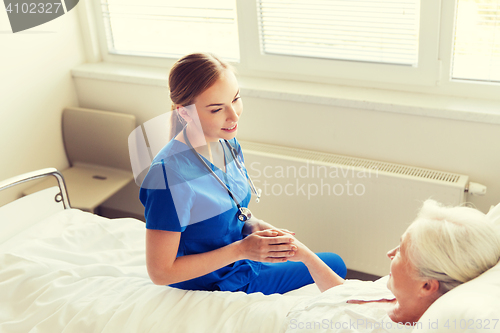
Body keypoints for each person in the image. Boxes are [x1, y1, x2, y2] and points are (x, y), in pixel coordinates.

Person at [139, 52, 347, 295]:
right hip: (212, 279)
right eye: (217, 109)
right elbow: (160, 273)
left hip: (238, 259)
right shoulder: (168, 177)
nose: (234, 115)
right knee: (333, 265)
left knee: (331, 262)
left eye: (235, 99)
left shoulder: (227, 142)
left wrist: (252, 225)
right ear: (184, 113)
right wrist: (242, 250)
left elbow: (229, 208)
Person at [288, 199, 500, 324]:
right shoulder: (399, 293)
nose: (390, 253)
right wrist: (304, 254)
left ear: (426, 286)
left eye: (401, 252)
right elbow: (344, 293)